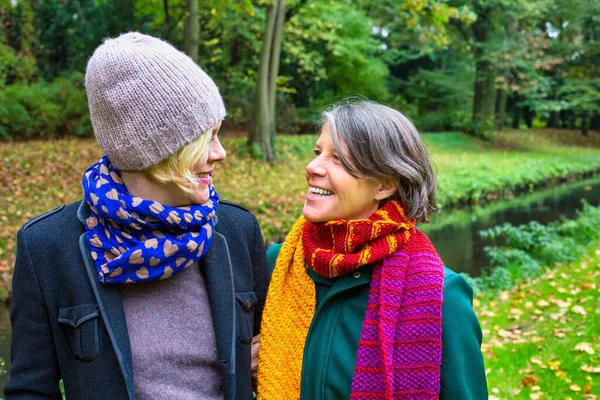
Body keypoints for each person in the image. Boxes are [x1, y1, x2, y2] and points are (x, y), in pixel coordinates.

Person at [5, 32, 269, 400]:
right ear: (157, 151)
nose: (221, 153)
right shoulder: (48, 247)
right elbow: (29, 390)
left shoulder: (237, 232)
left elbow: (273, 364)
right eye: (205, 139)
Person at [257, 100, 488, 399]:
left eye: (338, 159)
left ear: (384, 185)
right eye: (318, 153)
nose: (312, 167)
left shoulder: (441, 297)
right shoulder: (280, 265)